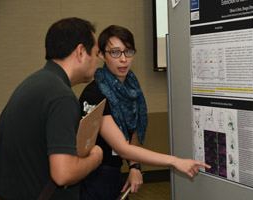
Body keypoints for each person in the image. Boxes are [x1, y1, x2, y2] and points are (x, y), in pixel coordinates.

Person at [79, 25, 210, 200]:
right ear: (102, 55)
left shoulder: (131, 87)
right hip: (93, 175)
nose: (124, 59)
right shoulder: (95, 93)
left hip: (116, 170)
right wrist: (175, 161)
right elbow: (122, 148)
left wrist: (134, 167)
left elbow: (131, 132)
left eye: (128, 51)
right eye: (115, 53)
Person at [0, 17, 103, 200]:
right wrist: (95, 158)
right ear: (81, 52)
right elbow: (63, 173)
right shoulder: (61, 97)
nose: (97, 60)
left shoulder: (33, 83)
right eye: (96, 53)